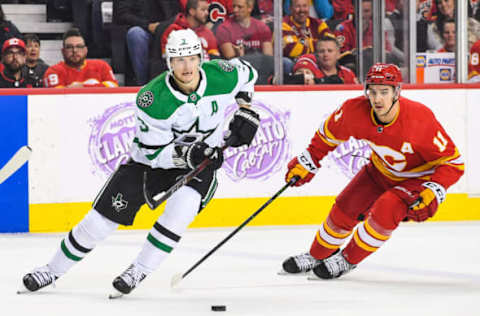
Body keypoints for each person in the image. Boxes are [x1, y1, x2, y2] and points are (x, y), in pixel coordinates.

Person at [19, 29, 260, 297]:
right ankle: (51, 270)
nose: (187, 66)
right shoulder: (152, 99)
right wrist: (191, 154)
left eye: (192, 58)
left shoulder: (222, 74)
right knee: (99, 222)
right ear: (169, 62)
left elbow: (248, 74)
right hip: (150, 164)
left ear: (200, 57)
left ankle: (139, 269)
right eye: (179, 60)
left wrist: (246, 110)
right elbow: (154, 153)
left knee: (181, 213)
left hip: (200, 164)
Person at [280, 63, 464, 279]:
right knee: (345, 207)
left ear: (397, 92)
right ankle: (317, 254)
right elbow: (327, 136)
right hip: (380, 170)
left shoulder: (419, 119)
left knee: (386, 208)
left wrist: (434, 188)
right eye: (372, 91)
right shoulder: (353, 110)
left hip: (417, 179)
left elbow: (453, 163)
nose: (377, 99)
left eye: (384, 92)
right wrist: (309, 160)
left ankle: (348, 259)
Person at [153, 0, 219, 78]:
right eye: (203, 10)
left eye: (207, 10)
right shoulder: (173, 30)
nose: (207, 13)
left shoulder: (208, 32)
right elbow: (166, 58)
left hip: (205, 77)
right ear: (192, 11)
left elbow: (215, 58)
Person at [43, 28, 118, 88]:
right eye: (69, 47)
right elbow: (57, 97)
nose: (74, 50)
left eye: (79, 46)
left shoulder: (102, 66)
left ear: (85, 50)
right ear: (63, 51)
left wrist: (82, 87)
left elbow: (114, 87)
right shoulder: (54, 71)